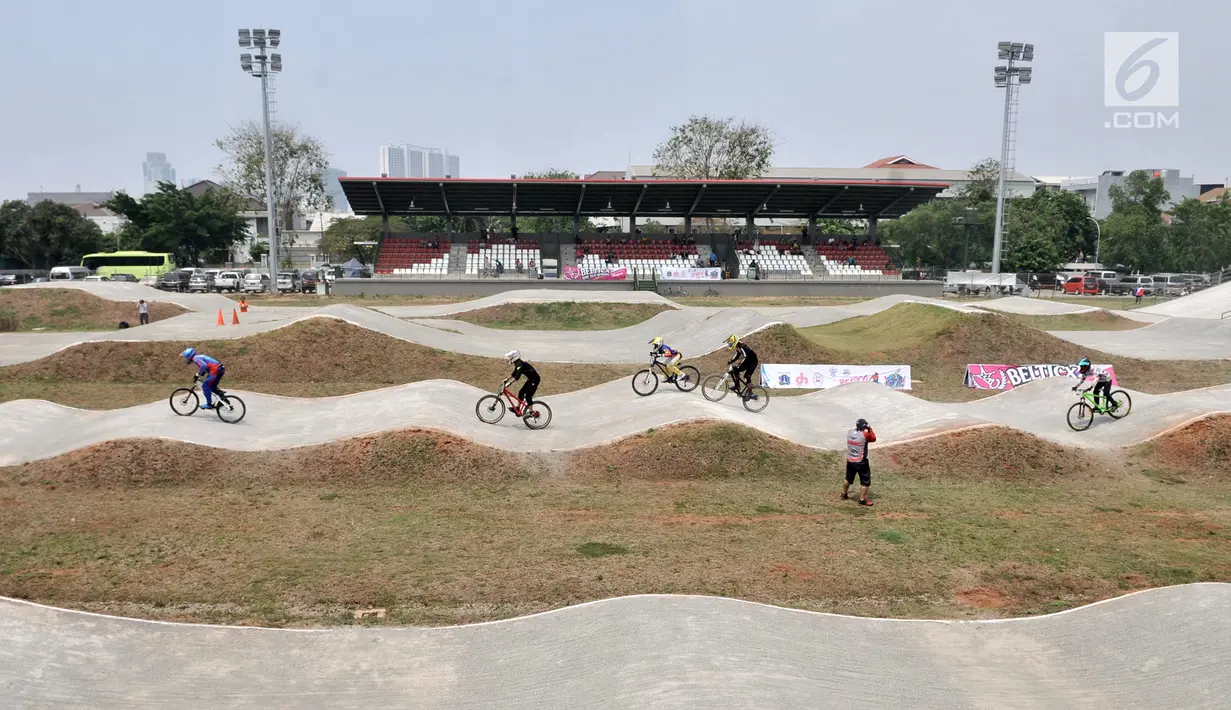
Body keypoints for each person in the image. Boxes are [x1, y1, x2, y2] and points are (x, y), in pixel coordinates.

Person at [842, 418, 876, 506]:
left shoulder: (850, 432)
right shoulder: (865, 434)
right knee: (865, 481)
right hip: (861, 462)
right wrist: (869, 428)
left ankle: (844, 494)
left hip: (850, 460)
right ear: (864, 426)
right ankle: (862, 499)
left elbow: (856, 432)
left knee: (848, 478)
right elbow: (873, 438)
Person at [724, 334, 759, 400]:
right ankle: (737, 386)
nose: (730, 345)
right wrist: (731, 361)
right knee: (735, 369)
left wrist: (740, 363)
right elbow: (738, 354)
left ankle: (751, 393)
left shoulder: (742, 346)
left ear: (734, 341)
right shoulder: (738, 345)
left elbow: (745, 357)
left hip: (753, 362)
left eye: (730, 343)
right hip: (748, 360)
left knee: (747, 376)